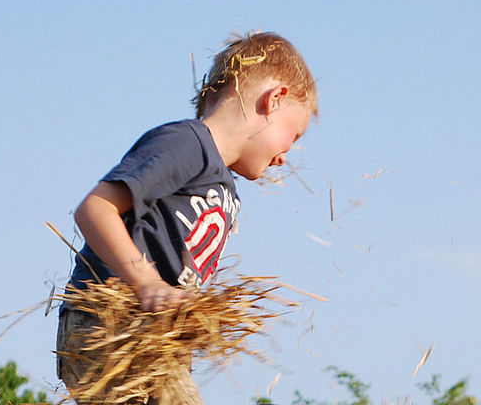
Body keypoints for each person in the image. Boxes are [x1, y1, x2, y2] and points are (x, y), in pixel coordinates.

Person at [56, 31, 318, 404]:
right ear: (274, 100)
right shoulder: (188, 143)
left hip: (152, 340)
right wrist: (145, 281)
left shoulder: (220, 182)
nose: (285, 156)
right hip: (111, 325)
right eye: (294, 135)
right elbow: (95, 208)